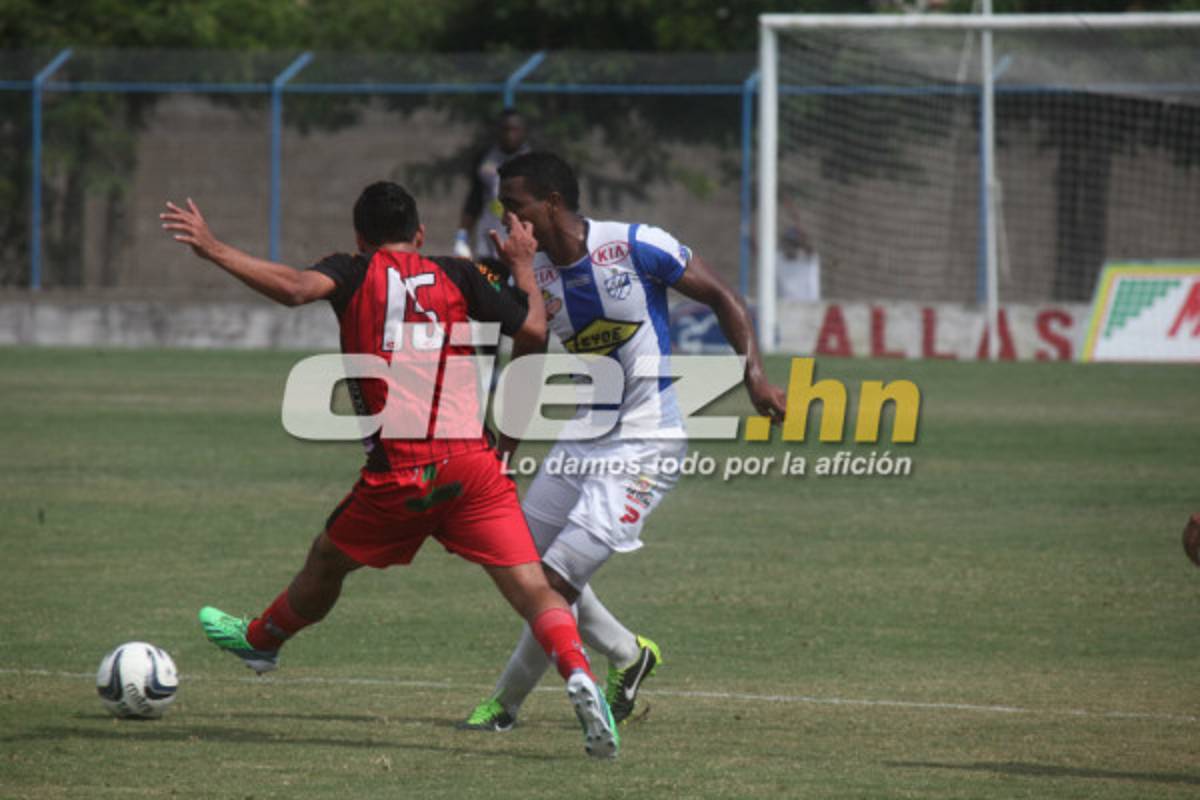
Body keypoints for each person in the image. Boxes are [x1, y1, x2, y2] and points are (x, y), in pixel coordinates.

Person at [159, 182, 620, 759]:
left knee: (328, 559)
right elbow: (532, 332)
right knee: (533, 589)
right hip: (472, 466)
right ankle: (578, 672)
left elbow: (296, 289)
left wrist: (214, 248)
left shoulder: (352, 272)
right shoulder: (460, 274)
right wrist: (523, 266)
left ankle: (263, 639)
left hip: (401, 475)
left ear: (359, 239)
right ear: (420, 235)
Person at [458, 152, 787, 732]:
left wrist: (753, 373)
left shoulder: (634, 245)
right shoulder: (535, 278)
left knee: (553, 585)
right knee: (521, 566)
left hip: (646, 444)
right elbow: (528, 363)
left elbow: (722, 297)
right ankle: (630, 654)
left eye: (517, 206)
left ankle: (504, 707)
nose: (508, 219)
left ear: (552, 203)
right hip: (583, 435)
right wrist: (503, 452)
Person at [454, 108, 531, 260]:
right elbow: (474, 199)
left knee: (516, 282)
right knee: (489, 280)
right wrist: (461, 237)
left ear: (523, 131)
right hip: (488, 236)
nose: (510, 135)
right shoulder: (485, 158)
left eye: (515, 130)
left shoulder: (532, 160)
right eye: (505, 130)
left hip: (519, 239)